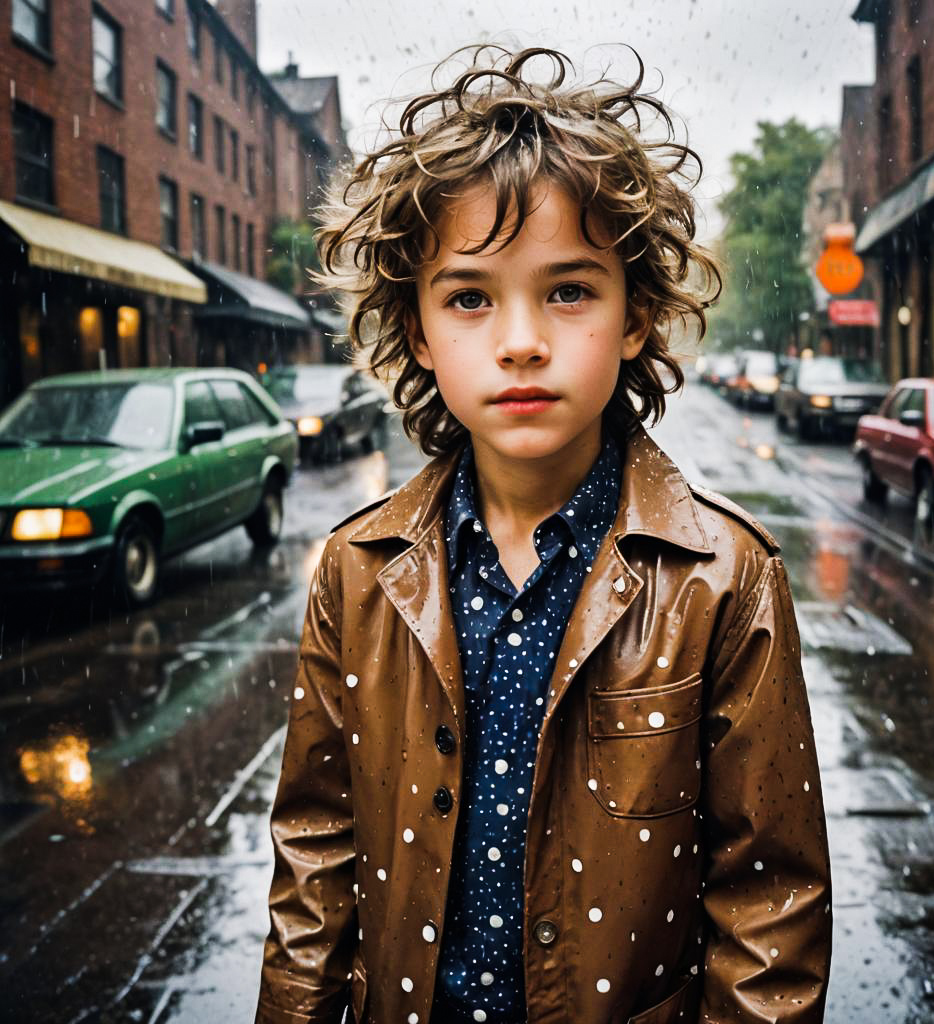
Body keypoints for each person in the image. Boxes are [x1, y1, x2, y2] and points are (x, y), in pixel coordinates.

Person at [256, 45, 831, 1024]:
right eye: (470, 297)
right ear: (420, 330)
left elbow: (768, 916)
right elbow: (317, 868)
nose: (520, 338)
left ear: (636, 315)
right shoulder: (357, 574)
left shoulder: (723, 578)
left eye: (567, 289)